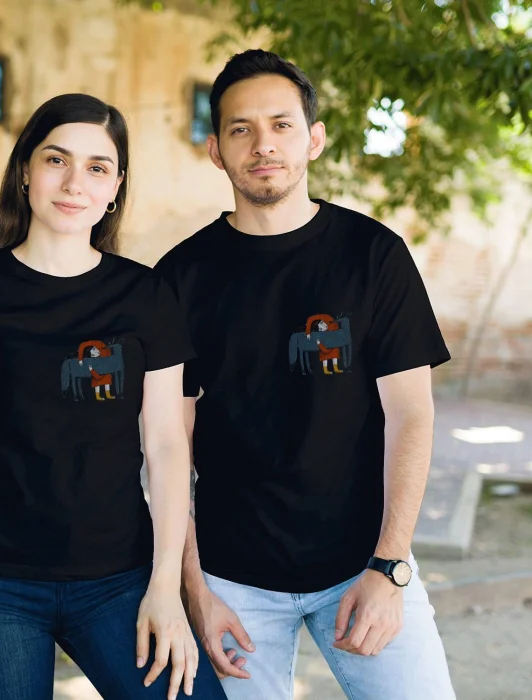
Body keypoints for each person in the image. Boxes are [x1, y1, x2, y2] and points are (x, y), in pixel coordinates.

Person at [156, 50, 456, 700]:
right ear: (215, 150)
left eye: (281, 124)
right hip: (231, 582)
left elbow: (411, 414)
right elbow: (168, 445)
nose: (263, 144)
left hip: (364, 562)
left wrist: (390, 567)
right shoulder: (180, 278)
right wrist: (194, 591)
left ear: (314, 139)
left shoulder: (373, 256)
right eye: (241, 128)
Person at [0, 93, 228, 700]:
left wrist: (166, 588)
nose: (74, 182)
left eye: (97, 167)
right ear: (25, 170)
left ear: (115, 188)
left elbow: (166, 444)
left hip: (121, 577)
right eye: (57, 160)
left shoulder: (146, 296)